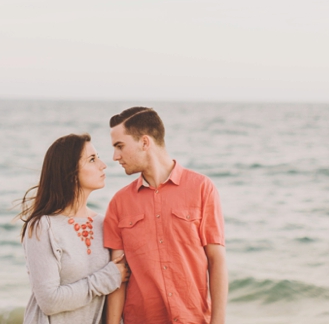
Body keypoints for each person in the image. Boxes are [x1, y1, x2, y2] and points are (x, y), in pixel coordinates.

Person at [103, 107, 228, 324]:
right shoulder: (119, 203)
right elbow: (118, 278)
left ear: (144, 142)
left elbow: (216, 261)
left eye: (120, 146)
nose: (115, 157)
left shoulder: (202, 188)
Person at [19, 133, 129, 324]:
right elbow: (49, 301)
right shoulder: (43, 226)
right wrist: (108, 277)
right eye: (92, 159)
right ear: (69, 172)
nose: (103, 164)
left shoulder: (105, 224)